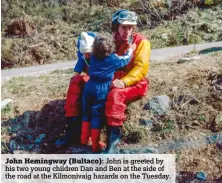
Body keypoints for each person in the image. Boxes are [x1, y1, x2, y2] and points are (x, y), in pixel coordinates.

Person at [104, 9, 151, 153]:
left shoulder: (141, 42)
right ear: (116, 26)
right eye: (124, 27)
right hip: (113, 79)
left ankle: (113, 144)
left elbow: (141, 68)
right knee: (82, 85)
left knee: (115, 95)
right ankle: (75, 134)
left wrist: (124, 82)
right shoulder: (109, 42)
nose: (127, 31)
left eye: (130, 27)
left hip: (135, 83)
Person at [80, 33, 136, 153]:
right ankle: (95, 146)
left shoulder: (93, 56)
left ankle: (84, 139)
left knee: (85, 113)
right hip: (101, 89)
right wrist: (130, 50)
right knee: (96, 117)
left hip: (89, 86)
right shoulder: (112, 59)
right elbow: (125, 59)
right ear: (111, 47)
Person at [55, 32, 96, 148]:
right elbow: (77, 71)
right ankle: (71, 127)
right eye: (85, 53)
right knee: (75, 83)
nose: (87, 55)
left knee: (89, 96)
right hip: (91, 79)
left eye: (89, 53)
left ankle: (89, 133)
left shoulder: (102, 55)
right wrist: (74, 79)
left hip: (102, 81)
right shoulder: (83, 57)